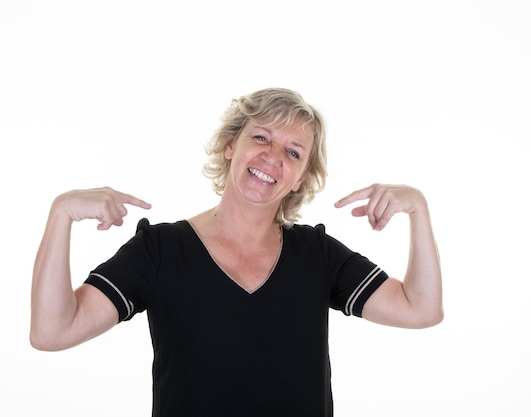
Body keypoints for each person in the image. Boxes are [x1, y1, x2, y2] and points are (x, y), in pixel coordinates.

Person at [30, 88, 443, 416]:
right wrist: (61, 213)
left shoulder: (317, 256)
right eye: (260, 137)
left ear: (300, 178)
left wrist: (418, 209)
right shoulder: (159, 251)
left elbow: (420, 308)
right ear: (231, 146)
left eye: (293, 152)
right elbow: (53, 331)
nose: (272, 157)